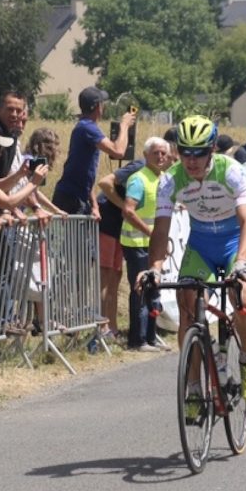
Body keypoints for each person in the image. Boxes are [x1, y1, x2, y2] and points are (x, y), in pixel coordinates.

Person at [137, 116, 246, 409]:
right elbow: (161, 229)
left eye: (199, 153)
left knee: (244, 300)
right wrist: (154, 268)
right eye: (185, 152)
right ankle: (194, 388)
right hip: (201, 246)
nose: (191, 160)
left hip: (234, 243)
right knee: (187, 308)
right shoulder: (170, 179)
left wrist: (242, 261)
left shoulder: (231, 171)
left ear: (212, 150)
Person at [120, 137, 172, 351]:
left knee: (154, 290)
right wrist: (150, 232)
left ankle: (151, 336)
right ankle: (138, 339)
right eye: (155, 153)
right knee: (141, 290)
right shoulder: (138, 179)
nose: (160, 157)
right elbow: (128, 209)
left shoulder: (164, 178)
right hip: (136, 244)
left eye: (163, 153)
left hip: (153, 246)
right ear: (146, 155)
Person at [51, 87, 134, 215]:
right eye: (102, 103)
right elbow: (118, 151)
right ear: (97, 106)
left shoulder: (85, 126)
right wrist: (124, 126)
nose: (104, 107)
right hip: (71, 198)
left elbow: (84, 174)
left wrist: (94, 205)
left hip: (74, 196)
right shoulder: (87, 127)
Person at [94, 145, 147, 345]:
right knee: (106, 275)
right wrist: (122, 205)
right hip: (108, 220)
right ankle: (102, 327)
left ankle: (112, 327)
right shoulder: (139, 165)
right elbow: (105, 183)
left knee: (116, 276)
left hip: (120, 226)